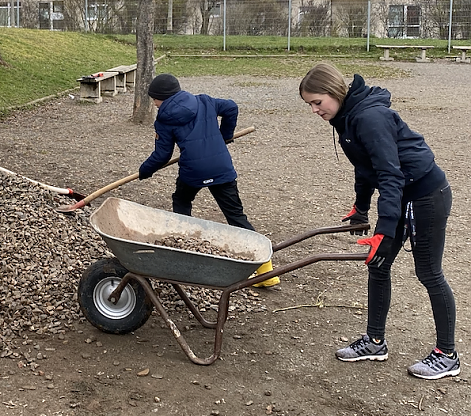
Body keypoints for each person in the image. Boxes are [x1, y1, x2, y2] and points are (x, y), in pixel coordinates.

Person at [299, 62, 459, 380]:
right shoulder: (345, 117)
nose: (315, 110)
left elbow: (389, 174)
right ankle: (374, 342)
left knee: (428, 272)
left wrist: (384, 230)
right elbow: (365, 167)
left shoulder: (369, 118)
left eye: (317, 102)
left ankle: (447, 355)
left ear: (334, 92)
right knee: (379, 264)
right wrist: (360, 208)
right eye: (310, 105)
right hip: (402, 193)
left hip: (425, 195)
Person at [138, 73, 279, 287]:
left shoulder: (164, 120)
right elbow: (231, 107)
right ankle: (266, 271)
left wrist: (145, 171)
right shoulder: (204, 101)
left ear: (163, 98)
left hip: (193, 171)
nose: (155, 104)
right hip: (221, 169)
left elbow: (162, 155)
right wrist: (226, 135)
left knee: (182, 201)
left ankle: (183, 248)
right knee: (235, 216)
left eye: (155, 99)